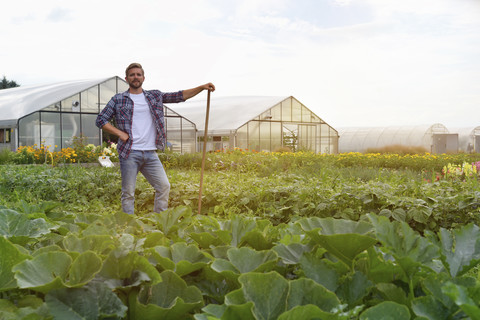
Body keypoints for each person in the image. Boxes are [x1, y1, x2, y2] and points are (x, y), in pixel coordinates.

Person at [96, 62, 215, 214]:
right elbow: (101, 120)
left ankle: (160, 220)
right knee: (128, 193)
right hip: (129, 152)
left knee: (164, 186)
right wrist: (120, 133)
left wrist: (201, 87)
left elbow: (178, 96)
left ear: (144, 78)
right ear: (126, 78)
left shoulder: (154, 96)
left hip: (150, 153)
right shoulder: (118, 99)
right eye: (132, 75)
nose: (135, 77)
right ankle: (128, 227)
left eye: (138, 74)